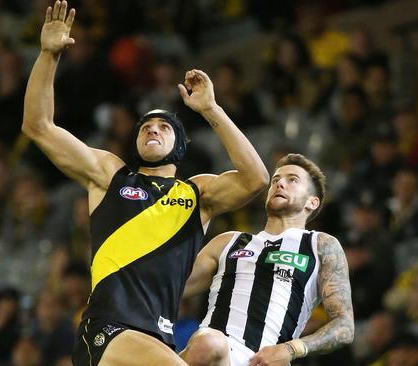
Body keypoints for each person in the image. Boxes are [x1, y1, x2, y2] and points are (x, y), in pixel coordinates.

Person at [21, 2, 270, 366]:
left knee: (214, 351)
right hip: (108, 331)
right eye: (145, 126)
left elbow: (256, 179)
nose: (152, 128)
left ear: (180, 147)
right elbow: (38, 125)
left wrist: (212, 110)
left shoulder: (197, 194)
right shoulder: (111, 175)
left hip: (157, 340)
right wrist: (47, 55)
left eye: (164, 127)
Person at [180, 154, 354, 366]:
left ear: (312, 202)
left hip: (261, 360)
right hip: (212, 353)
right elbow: (169, 289)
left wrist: (292, 349)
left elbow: (344, 326)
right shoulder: (229, 241)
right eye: (276, 179)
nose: (280, 183)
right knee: (206, 343)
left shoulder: (319, 244)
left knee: (207, 343)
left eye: (292, 180)